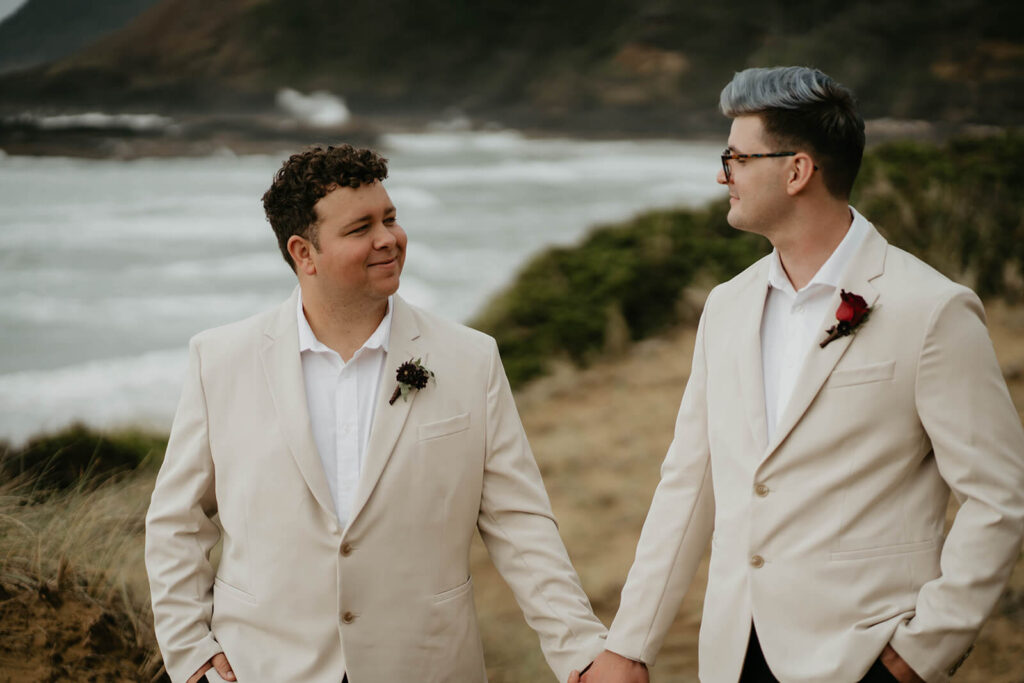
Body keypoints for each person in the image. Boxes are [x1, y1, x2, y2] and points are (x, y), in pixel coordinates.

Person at [575, 67, 1024, 683]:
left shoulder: (932, 309)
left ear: (797, 170)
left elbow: (1000, 496)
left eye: (735, 156)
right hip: (733, 658)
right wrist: (630, 644)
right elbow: (689, 485)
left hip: (861, 658)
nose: (721, 174)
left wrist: (924, 652)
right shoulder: (726, 307)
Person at [145, 144, 607, 683]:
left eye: (390, 218)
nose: (388, 238)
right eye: (360, 227)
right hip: (261, 669)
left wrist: (581, 650)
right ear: (304, 253)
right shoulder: (219, 360)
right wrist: (190, 653)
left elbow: (519, 524)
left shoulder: (470, 359)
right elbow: (178, 522)